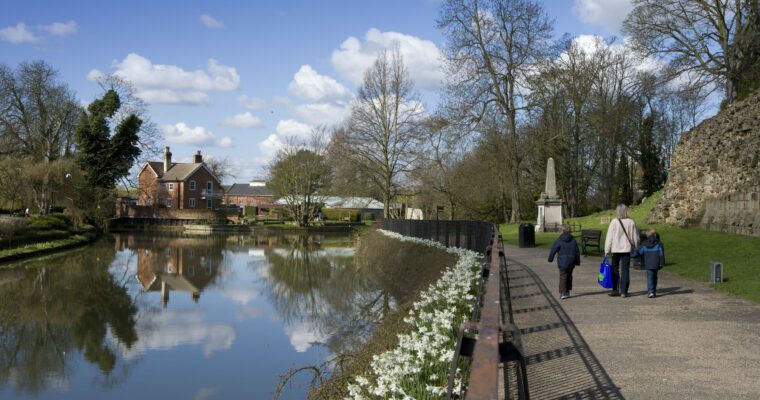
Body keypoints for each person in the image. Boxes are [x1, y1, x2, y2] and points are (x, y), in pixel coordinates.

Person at [604, 204, 639, 297]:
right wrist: (636, 246)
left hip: (615, 249)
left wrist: (606, 249)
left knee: (614, 269)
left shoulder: (614, 222)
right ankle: (624, 291)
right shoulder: (631, 222)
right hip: (626, 249)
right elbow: (635, 237)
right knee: (625, 270)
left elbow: (609, 237)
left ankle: (615, 289)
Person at [548, 225, 581, 300]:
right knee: (569, 275)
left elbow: (553, 250)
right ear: (570, 231)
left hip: (562, 261)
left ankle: (562, 292)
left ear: (562, 231)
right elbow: (577, 252)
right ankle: (567, 291)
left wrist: (550, 259)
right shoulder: (573, 240)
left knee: (563, 276)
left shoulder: (559, 240)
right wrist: (577, 262)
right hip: (571, 261)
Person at [639, 228, 665, 298]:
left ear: (647, 235)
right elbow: (661, 254)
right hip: (656, 262)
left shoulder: (644, 243)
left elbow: (640, 252)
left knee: (650, 277)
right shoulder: (659, 243)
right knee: (655, 277)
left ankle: (650, 292)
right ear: (655, 234)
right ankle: (653, 291)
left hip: (648, 263)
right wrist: (661, 263)